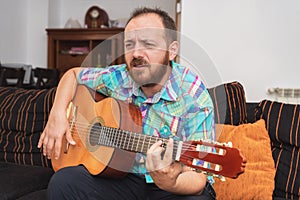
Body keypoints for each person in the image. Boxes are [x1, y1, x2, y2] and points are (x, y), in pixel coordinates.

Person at [38, 7, 216, 200]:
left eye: (148, 43)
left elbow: (200, 178)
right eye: (129, 44)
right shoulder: (118, 76)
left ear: (171, 51)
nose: (136, 53)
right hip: (122, 178)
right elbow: (72, 75)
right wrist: (57, 115)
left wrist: (169, 182)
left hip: (172, 184)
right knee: (64, 182)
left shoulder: (193, 94)